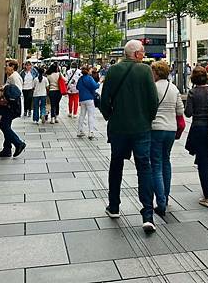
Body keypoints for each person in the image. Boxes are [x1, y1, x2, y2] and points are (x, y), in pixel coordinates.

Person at [100, 40, 158, 233]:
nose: (144, 54)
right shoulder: (145, 71)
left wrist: (111, 116)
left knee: (116, 165)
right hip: (141, 128)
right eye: (142, 52)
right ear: (136, 54)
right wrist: (146, 120)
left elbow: (104, 100)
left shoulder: (113, 71)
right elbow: (153, 101)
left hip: (118, 128)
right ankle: (148, 214)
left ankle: (114, 206)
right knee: (144, 167)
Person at [150, 61, 184, 218]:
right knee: (166, 161)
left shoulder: (153, 88)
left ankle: (161, 202)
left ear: (156, 73)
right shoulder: (174, 88)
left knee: (156, 165)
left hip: (156, 129)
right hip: (171, 129)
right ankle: (166, 196)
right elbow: (180, 111)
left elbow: (147, 108)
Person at [184, 66, 208, 208]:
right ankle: (207, 188)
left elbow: (188, 113)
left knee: (202, 160)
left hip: (199, 129)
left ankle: (207, 194)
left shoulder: (193, 92)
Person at [0, 60, 26, 158]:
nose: (5, 67)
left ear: (12, 67)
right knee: (6, 126)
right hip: (11, 106)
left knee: (4, 126)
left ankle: (18, 143)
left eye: (7, 65)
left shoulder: (14, 77)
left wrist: (4, 89)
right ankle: (7, 149)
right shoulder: (11, 76)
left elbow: (16, 92)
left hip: (11, 106)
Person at [76, 64, 100, 139]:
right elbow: (95, 86)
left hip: (82, 99)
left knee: (82, 115)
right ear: (88, 71)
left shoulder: (80, 79)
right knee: (91, 115)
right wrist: (99, 82)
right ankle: (91, 132)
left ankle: (79, 131)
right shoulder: (89, 78)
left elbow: (77, 87)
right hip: (89, 98)